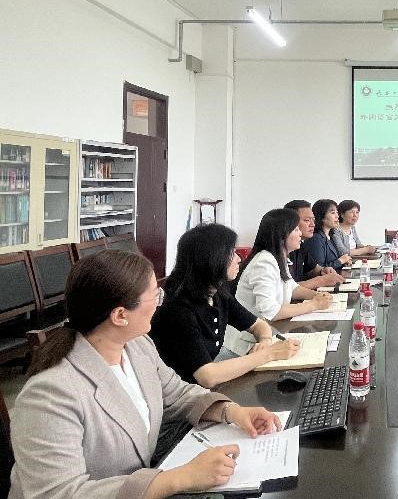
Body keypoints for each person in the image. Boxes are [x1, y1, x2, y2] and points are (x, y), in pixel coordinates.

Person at [9, 250, 282, 499]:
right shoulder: (50, 394)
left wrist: (231, 412)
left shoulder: (137, 346)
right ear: (120, 315)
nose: (160, 303)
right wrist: (179, 478)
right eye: (155, 296)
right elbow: (58, 493)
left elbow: (177, 394)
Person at [149, 223, 301, 388]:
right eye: (231, 253)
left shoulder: (217, 294)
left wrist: (264, 342)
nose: (239, 258)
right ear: (212, 259)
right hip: (179, 396)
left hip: (200, 389)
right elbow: (207, 376)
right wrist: (268, 354)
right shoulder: (178, 310)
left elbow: (259, 325)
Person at [232, 208, 331, 348]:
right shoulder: (264, 262)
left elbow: (292, 287)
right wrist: (314, 305)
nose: (300, 234)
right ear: (282, 235)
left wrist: (317, 296)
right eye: (296, 229)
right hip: (251, 343)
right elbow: (271, 312)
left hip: (272, 333)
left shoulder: (279, 258)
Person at [284, 199, 344, 290]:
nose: (313, 224)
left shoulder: (300, 245)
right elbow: (284, 289)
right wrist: (321, 281)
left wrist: (323, 271)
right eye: (307, 220)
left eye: (313, 220)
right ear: (290, 223)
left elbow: (312, 269)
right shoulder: (278, 252)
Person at [306, 199, 353, 270]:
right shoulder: (316, 238)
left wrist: (344, 262)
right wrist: (340, 261)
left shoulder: (331, 236)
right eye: (333, 213)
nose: (337, 216)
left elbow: (335, 259)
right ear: (321, 216)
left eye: (337, 212)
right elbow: (319, 269)